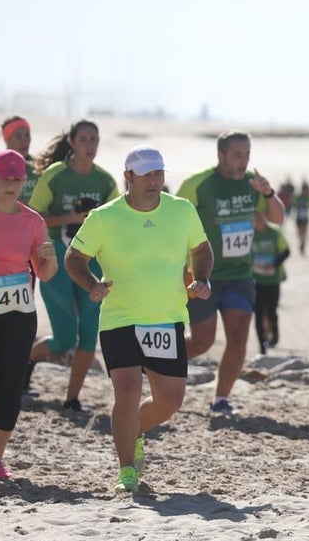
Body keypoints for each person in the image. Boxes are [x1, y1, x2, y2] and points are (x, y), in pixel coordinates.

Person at [65, 146, 212, 493]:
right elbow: (74, 257)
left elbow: (202, 249)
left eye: (158, 173)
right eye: (146, 174)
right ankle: (126, 469)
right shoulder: (104, 217)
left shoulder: (181, 210)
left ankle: (135, 430)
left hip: (166, 317)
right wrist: (92, 284)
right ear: (128, 177)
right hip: (120, 316)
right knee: (128, 390)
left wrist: (202, 278)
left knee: (170, 400)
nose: (154, 180)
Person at [176, 131, 284, 416]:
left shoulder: (253, 184)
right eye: (237, 155)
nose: (243, 160)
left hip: (240, 274)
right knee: (202, 342)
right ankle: (157, 363)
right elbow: (172, 220)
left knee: (238, 338)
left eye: (247, 154)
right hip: (202, 274)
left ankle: (220, 399)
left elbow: (278, 218)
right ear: (220, 155)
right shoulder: (198, 184)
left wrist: (268, 193)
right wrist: (180, 270)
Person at [0, 150, 58, 480]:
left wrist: (49, 259)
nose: (11, 185)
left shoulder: (33, 221)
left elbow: (46, 273)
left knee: (11, 387)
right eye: (5, 178)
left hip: (20, 312)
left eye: (17, 179)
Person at [26, 119, 119, 411]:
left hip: (91, 263)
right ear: (72, 142)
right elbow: (35, 218)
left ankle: (72, 398)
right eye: (84, 140)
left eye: (95, 139)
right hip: (55, 259)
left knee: (90, 334)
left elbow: (116, 222)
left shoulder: (105, 181)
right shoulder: (55, 176)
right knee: (65, 338)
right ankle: (27, 360)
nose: (90, 146)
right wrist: (72, 219)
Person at [0, 116, 42, 203]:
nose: (24, 141)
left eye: (27, 135)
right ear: (7, 139)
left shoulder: (39, 166)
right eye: (18, 136)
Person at [250, 212, 290, 354]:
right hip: (257, 281)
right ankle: (262, 346)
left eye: (260, 218)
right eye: (255, 219)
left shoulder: (274, 232)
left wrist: (273, 264)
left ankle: (275, 335)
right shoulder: (250, 234)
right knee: (259, 314)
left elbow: (286, 251)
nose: (259, 221)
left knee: (272, 311)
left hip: (273, 280)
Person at [292, 182, 309, 256]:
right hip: (299, 217)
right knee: (300, 234)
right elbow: (293, 204)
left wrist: (307, 205)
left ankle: (303, 246)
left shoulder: (307, 197)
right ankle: (301, 244)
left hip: (305, 217)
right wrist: (298, 205)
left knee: (304, 233)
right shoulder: (298, 197)